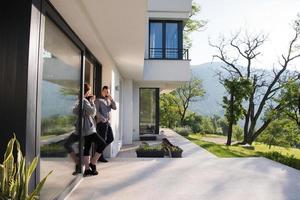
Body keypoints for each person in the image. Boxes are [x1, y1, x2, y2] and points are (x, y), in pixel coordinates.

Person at [73, 83, 106, 176]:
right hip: (89, 129)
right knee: (103, 143)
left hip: (85, 128)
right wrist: (92, 102)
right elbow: (92, 112)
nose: (90, 93)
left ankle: (87, 169)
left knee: (87, 148)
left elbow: (75, 111)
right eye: (89, 91)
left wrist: (84, 112)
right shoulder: (84, 100)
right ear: (86, 91)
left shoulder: (80, 100)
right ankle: (93, 162)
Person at [95, 86, 117, 162]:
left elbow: (114, 108)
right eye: (105, 91)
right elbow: (96, 112)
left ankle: (98, 153)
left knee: (111, 138)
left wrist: (112, 99)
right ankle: (100, 157)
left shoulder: (109, 100)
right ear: (102, 91)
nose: (106, 93)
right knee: (103, 140)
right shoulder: (98, 100)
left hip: (108, 123)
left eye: (108, 92)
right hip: (101, 123)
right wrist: (103, 119)